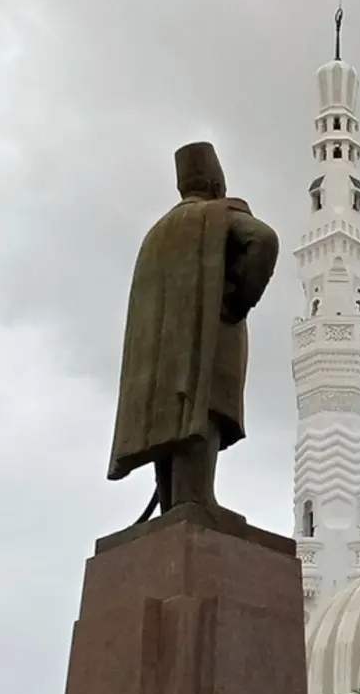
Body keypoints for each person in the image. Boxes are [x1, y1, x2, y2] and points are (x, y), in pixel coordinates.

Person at [108, 142, 279, 515]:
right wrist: (238, 299)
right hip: (207, 336)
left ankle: (174, 502)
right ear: (216, 181)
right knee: (203, 408)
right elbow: (263, 240)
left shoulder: (157, 234)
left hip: (157, 355)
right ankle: (195, 498)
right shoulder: (217, 216)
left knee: (172, 415)